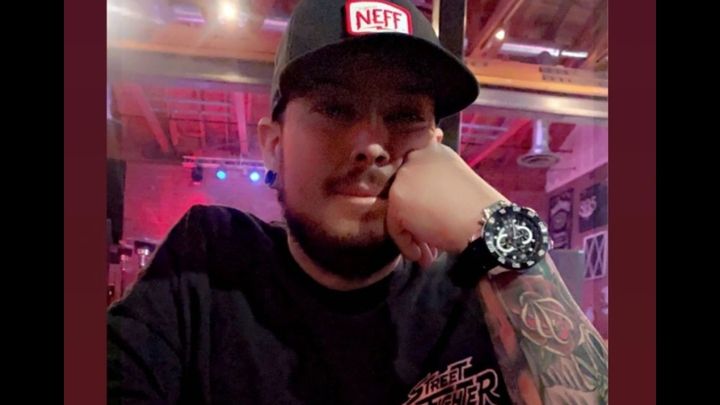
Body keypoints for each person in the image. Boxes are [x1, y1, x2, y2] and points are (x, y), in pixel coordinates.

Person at [108, 0, 608, 404]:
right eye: (333, 107)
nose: (371, 144)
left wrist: (500, 232)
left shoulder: (476, 290)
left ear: (437, 147)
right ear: (274, 145)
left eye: (404, 115)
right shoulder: (210, 261)